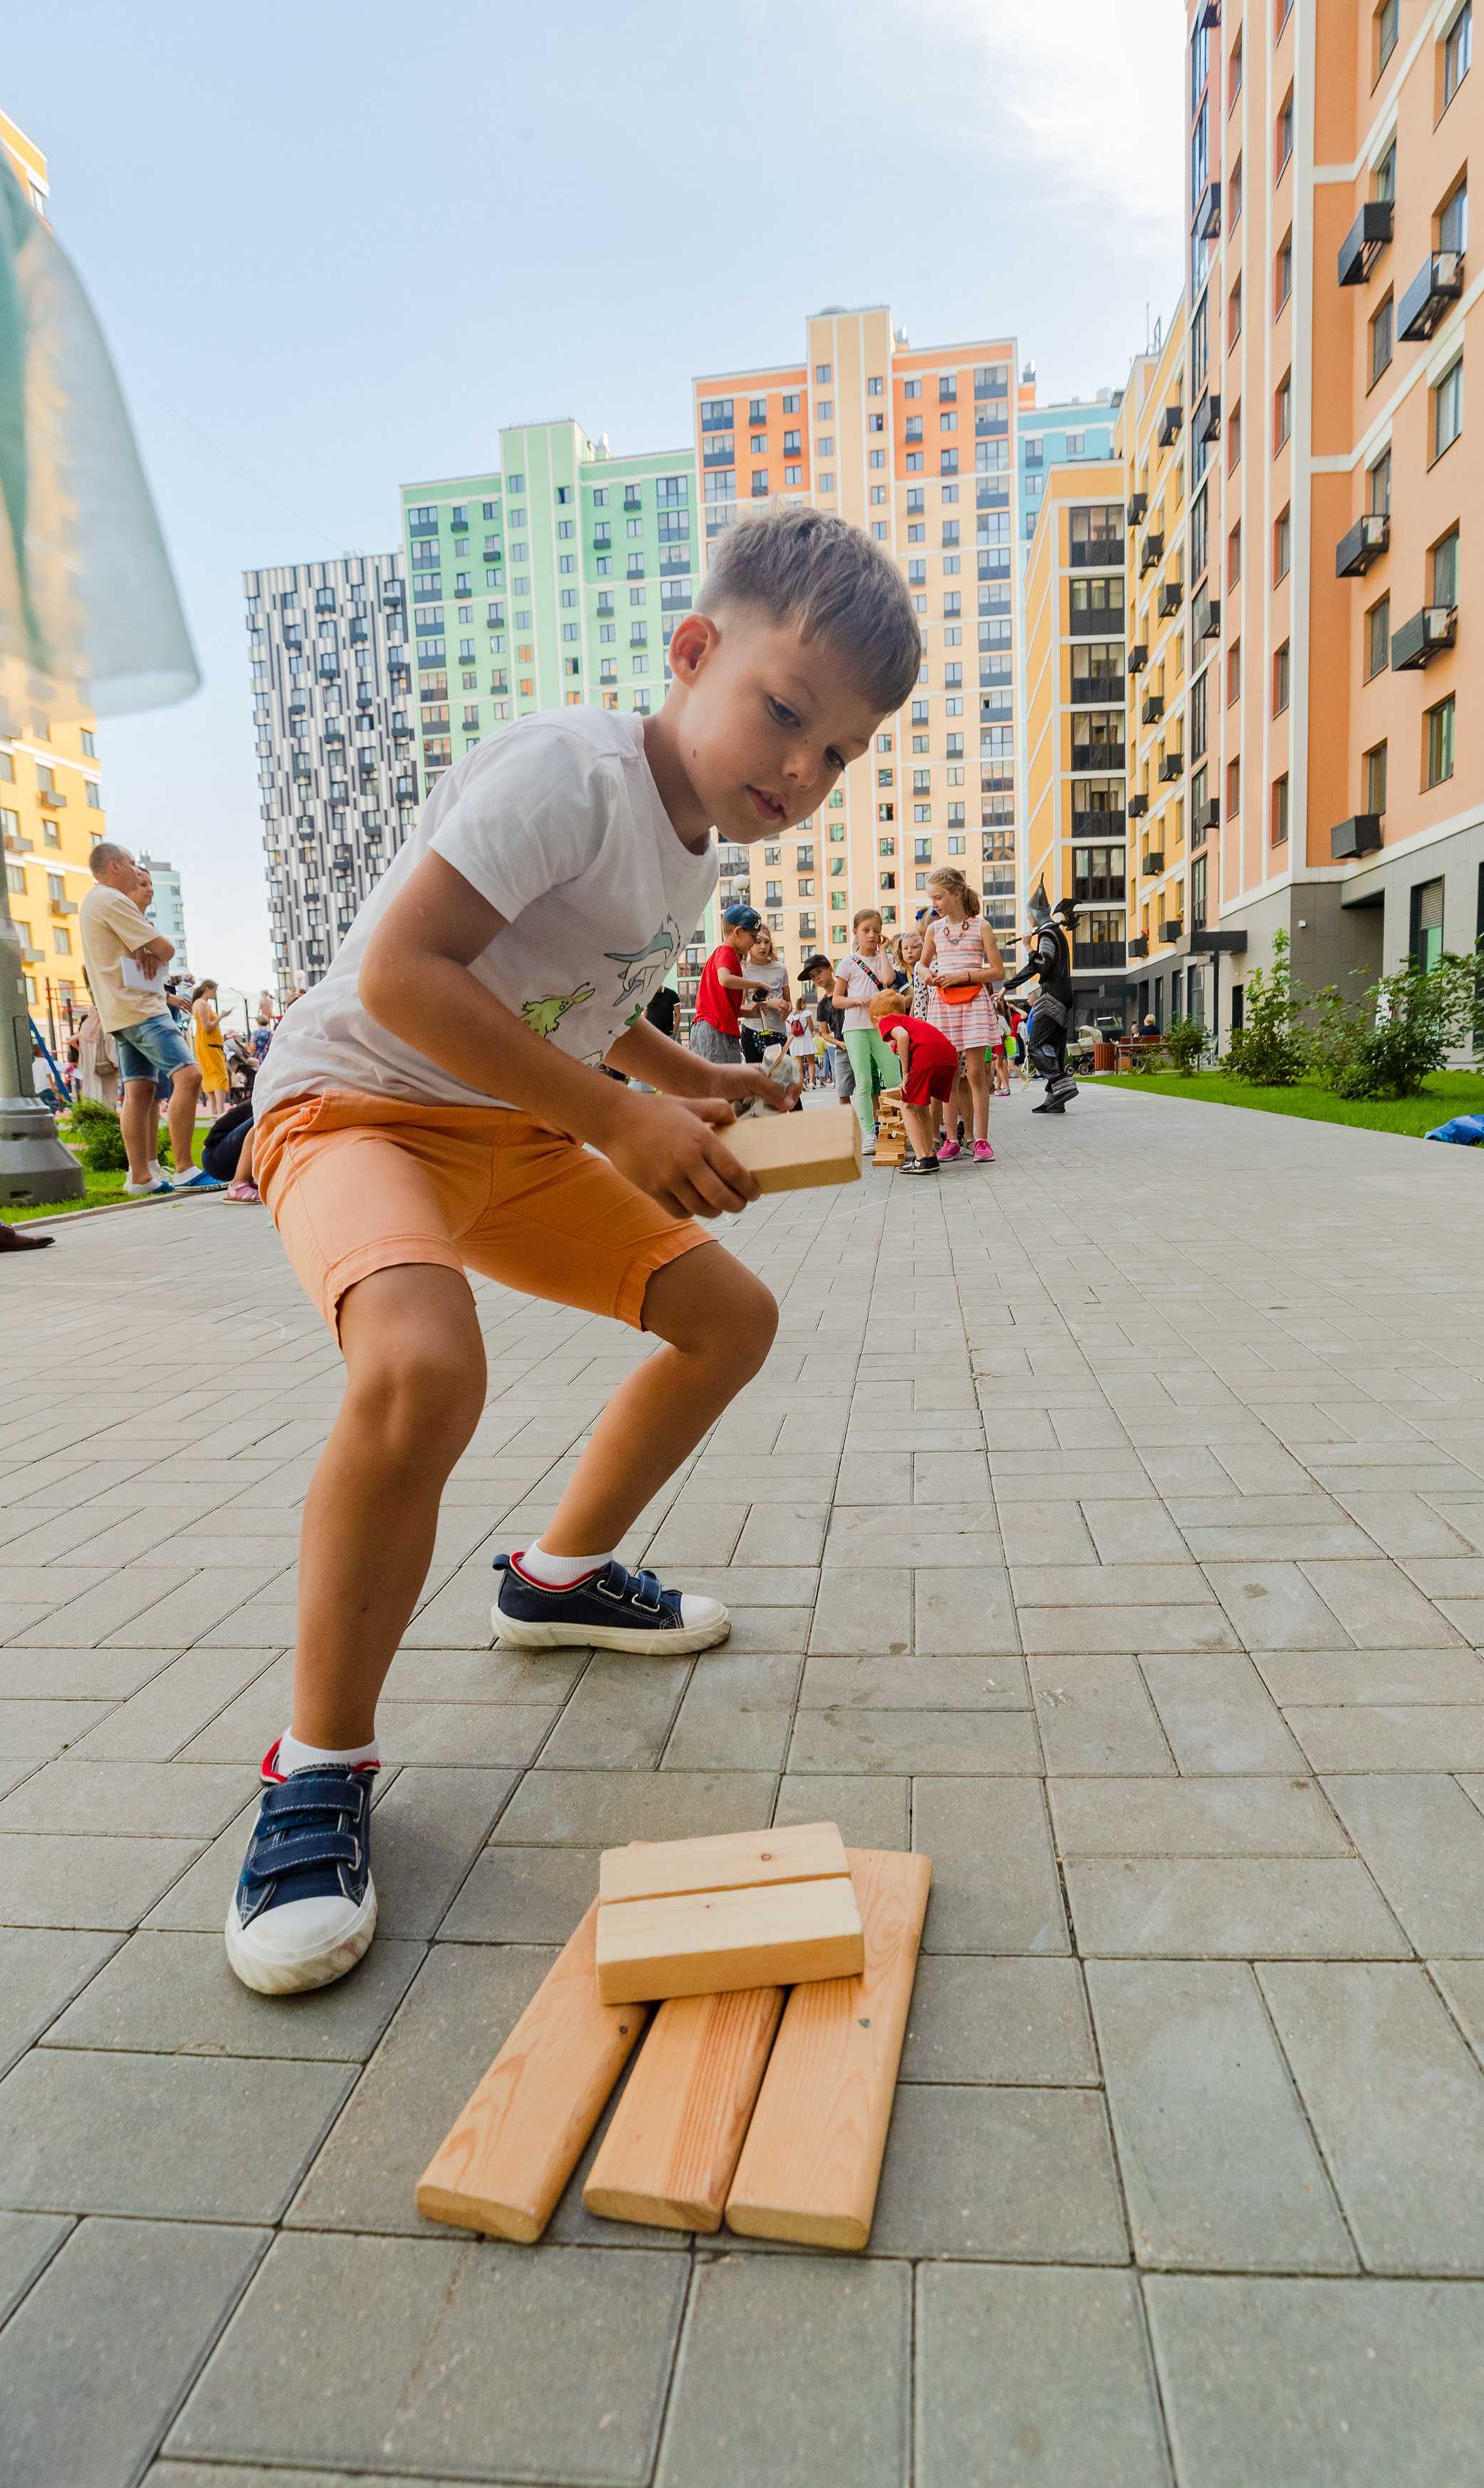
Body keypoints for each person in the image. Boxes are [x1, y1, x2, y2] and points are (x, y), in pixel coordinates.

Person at [227, 500, 920, 1995]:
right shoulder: (571, 773)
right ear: (692, 654)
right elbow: (410, 976)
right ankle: (315, 1764)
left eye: (840, 753)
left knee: (729, 1318)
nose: (802, 771)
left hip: (517, 1134)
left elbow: (584, 1004)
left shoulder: (689, 852)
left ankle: (556, 1576)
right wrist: (618, 1121)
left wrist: (699, 1085)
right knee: (421, 1366)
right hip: (357, 1109)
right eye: (786, 715)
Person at [75, 844, 221, 1196]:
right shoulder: (111, 899)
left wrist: (144, 949)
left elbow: (134, 948)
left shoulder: (93, 903)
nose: (135, 870)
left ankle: (139, 1176)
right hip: (142, 1008)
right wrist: (151, 949)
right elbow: (166, 951)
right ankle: (186, 1169)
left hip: (119, 1013)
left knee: (140, 1092)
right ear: (114, 866)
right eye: (130, 864)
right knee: (190, 1074)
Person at [918, 866, 1007, 1162]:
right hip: (943, 1006)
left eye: (939, 898)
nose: (935, 904)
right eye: (932, 899)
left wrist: (963, 976)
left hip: (973, 1005)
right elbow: (921, 964)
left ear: (956, 893)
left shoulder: (981, 926)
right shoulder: (933, 929)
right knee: (949, 1074)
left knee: (975, 1074)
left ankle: (980, 1140)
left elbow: (997, 970)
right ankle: (951, 1140)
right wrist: (927, 975)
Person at [832, 908, 905, 1154]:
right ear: (855, 932)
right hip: (855, 1028)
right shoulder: (847, 963)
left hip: (881, 1027)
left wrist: (884, 951)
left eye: (876, 930)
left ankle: (892, 1130)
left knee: (894, 1076)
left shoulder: (884, 958)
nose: (872, 935)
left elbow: (887, 979)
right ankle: (868, 1134)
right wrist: (856, 1000)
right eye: (866, 930)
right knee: (863, 1081)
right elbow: (837, 1000)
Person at [1003, 889, 1081, 1115]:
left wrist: (1028, 947)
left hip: (1052, 995)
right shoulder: (1053, 933)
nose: (1028, 919)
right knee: (1054, 1046)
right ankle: (1055, 1099)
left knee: (1036, 1045)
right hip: (1064, 994)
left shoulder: (1047, 935)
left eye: (1029, 915)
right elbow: (1035, 966)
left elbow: (1042, 965)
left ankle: (1062, 1082)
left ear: (1035, 913)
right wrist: (1008, 987)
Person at [869, 986, 959, 1174]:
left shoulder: (887, 1020)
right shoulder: (910, 1020)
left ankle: (921, 1159)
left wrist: (905, 1074)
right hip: (948, 1057)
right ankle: (930, 1156)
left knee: (906, 1106)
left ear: (876, 1019)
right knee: (920, 1106)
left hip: (928, 1058)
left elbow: (902, 1036)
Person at [692, 903, 760, 1066]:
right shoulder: (726, 952)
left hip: (717, 1027)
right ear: (738, 932)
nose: (755, 942)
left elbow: (723, 1006)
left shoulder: (725, 955)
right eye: (753, 936)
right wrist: (756, 984)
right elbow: (725, 979)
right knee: (721, 1085)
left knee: (727, 1083)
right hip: (714, 1029)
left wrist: (750, 1012)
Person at [799, 956, 852, 1102]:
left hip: (860, 1041)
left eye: (819, 972)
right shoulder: (822, 1005)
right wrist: (839, 1043)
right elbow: (824, 1033)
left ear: (830, 969)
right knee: (842, 1093)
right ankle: (847, 1124)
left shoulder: (849, 990)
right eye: (812, 976)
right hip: (842, 1048)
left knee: (869, 1089)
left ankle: (874, 1123)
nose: (817, 978)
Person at [740, 926, 790, 1065]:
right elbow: (740, 1007)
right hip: (752, 1031)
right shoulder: (743, 970)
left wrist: (787, 1009)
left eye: (766, 942)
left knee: (782, 1078)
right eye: (757, 942)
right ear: (749, 944)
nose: (763, 947)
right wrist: (768, 1003)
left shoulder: (781, 968)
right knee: (757, 1079)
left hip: (778, 1031)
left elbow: (788, 1001)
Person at [190, 981, 230, 1118]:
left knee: (210, 1076)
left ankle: (214, 1111)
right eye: (214, 991)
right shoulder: (202, 1004)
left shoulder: (200, 1004)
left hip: (206, 1044)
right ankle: (220, 1111)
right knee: (220, 1075)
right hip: (209, 1044)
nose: (215, 994)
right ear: (207, 989)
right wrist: (221, 1017)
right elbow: (207, 1027)